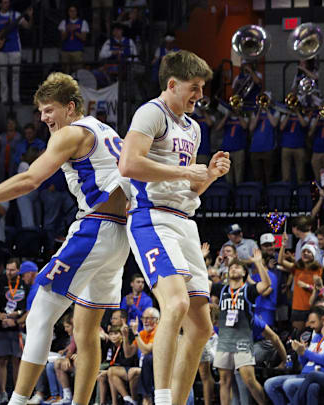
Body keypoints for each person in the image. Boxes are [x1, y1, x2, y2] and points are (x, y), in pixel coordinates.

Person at [0, 72, 131, 405]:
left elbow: (29, 180)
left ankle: (18, 402)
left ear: (70, 108)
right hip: (119, 237)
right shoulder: (106, 129)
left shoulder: (71, 132)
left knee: (40, 309)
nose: (43, 118)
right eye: (41, 111)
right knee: (86, 333)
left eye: (49, 110)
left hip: (96, 226)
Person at [118, 50, 230, 405]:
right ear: (172, 85)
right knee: (177, 304)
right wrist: (186, 172)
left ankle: (177, 401)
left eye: (202, 88)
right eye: (194, 88)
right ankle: (163, 399)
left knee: (201, 326)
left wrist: (208, 175)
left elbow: (190, 187)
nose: (199, 95)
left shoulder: (193, 128)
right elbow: (128, 164)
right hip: (152, 217)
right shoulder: (152, 112)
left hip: (184, 221)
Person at [214, 254, 272, 405]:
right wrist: (201, 259)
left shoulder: (249, 290)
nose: (233, 268)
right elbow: (202, 282)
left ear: (244, 273)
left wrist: (258, 263)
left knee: (249, 380)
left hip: (242, 339)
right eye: (231, 267)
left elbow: (266, 284)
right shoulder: (221, 289)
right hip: (225, 339)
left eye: (237, 267)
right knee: (224, 381)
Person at [264, 305, 324, 405]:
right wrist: (300, 353)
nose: (310, 326)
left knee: (289, 385)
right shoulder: (316, 336)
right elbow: (304, 363)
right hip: (303, 375)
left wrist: (305, 352)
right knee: (269, 384)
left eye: (313, 322)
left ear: (323, 320)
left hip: (320, 376)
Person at [0, 258, 29, 403]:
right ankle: (3, 392)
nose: (9, 272)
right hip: (0, 326)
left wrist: (18, 315)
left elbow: (26, 306)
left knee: (16, 360)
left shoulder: (24, 284)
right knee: (2, 360)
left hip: (16, 328)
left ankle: (17, 392)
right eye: (7, 269)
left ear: (18, 270)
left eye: (12, 270)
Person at [0, 0, 33, 104]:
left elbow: (27, 26)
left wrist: (30, 16)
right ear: (0, 4)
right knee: (3, 74)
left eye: (7, 2)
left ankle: (15, 99)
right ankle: (4, 99)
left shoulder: (16, 15)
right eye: (4, 2)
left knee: (15, 74)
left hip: (14, 48)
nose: (6, 4)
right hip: (1, 49)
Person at [58, 6, 89, 73]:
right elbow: (62, 38)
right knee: (65, 71)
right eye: (70, 11)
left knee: (78, 71)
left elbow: (84, 38)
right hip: (66, 50)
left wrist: (76, 33)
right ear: (68, 12)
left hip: (77, 51)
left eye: (74, 11)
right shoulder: (64, 22)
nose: (72, 13)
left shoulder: (83, 22)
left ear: (77, 12)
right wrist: (68, 30)